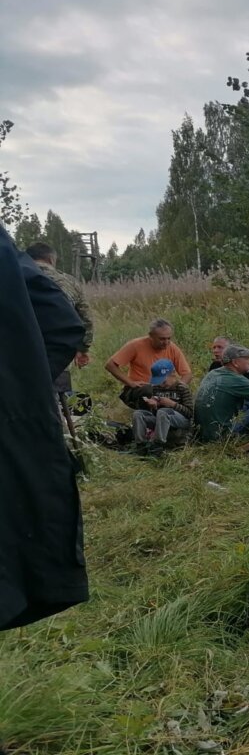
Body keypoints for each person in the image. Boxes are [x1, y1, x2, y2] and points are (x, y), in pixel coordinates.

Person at [1, 224, 88, 631]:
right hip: (25, 379)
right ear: (51, 260)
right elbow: (70, 323)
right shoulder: (46, 276)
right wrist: (25, 385)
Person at [26, 242, 94, 393]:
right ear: (51, 260)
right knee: (54, 394)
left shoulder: (13, 276)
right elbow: (86, 320)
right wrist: (83, 348)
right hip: (57, 350)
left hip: (19, 349)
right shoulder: (69, 282)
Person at [194, 344, 249, 442]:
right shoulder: (236, 380)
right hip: (222, 437)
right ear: (235, 362)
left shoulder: (213, 373)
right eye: (247, 358)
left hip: (202, 433)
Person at [105, 319, 193, 400]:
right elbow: (110, 365)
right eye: (162, 339)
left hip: (163, 391)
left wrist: (179, 387)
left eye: (169, 338)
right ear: (151, 336)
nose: (166, 342)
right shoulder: (136, 345)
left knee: (184, 395)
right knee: (149, 391)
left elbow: (187, 374)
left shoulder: (172, 348)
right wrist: (130, 383)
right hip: (140, 390)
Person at [129, 359, 194, 454]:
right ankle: (140, 444)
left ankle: (158, 444)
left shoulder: (182, 388)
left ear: (173, 374)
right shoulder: (156, 387)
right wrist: (154, 406)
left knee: (163, 412)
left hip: (181, 420)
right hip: (162, 418)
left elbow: (189, 413)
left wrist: (172, 404)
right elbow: (156, 414)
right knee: (138, 414)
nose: (162, 385)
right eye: (159, 381)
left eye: (163, 381)